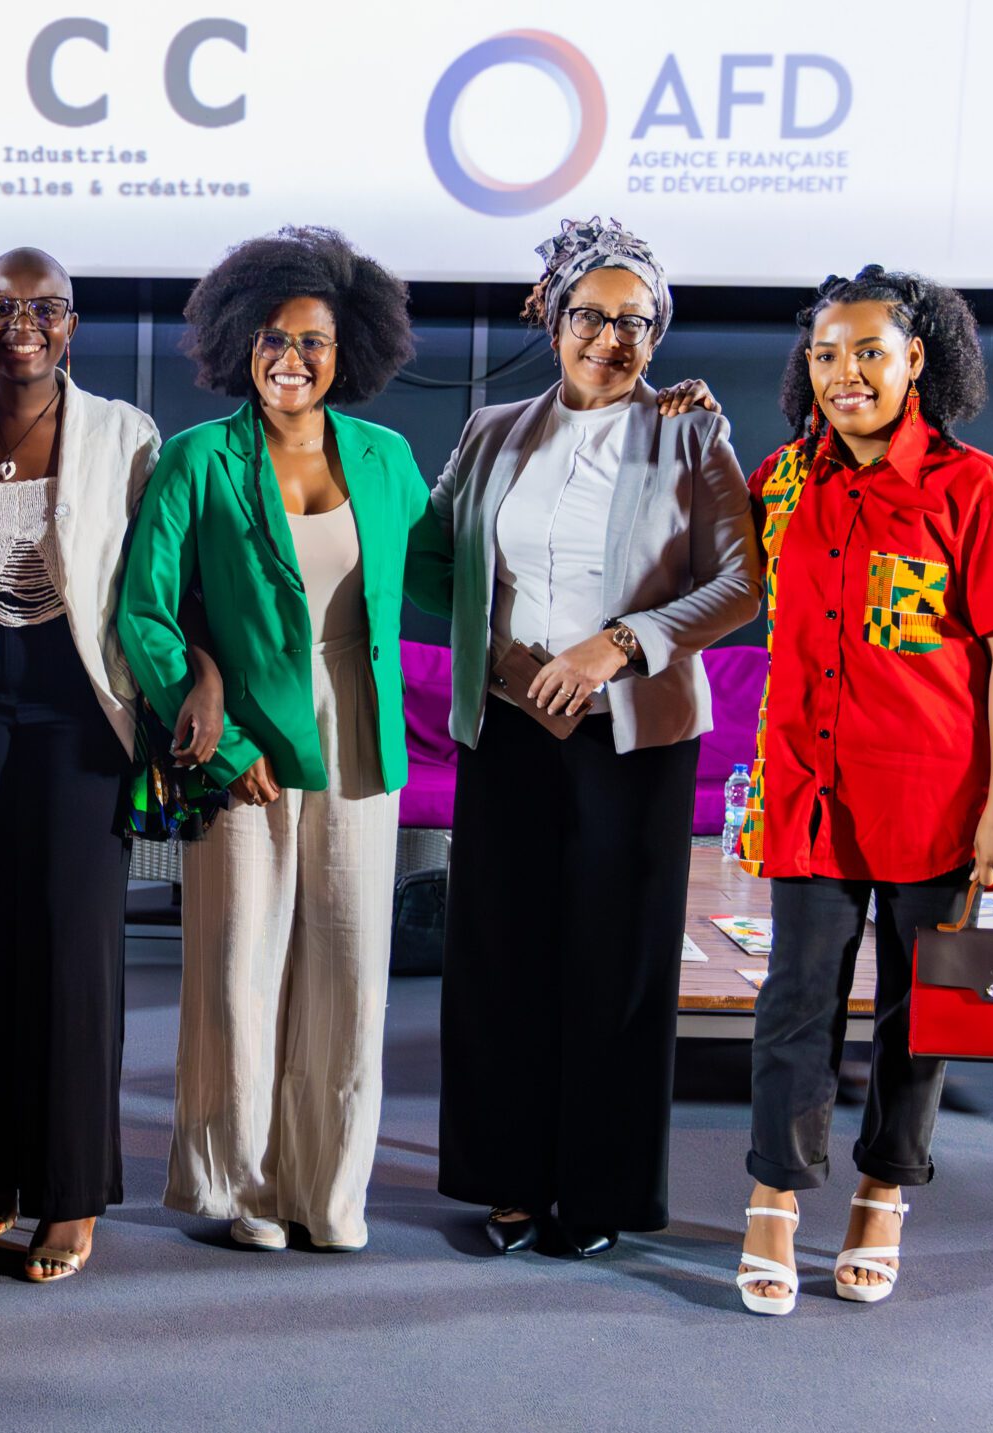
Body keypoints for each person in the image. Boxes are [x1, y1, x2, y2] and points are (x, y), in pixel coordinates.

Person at [406, 216, 760, 1258]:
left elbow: (741, 584)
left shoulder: (691, 434)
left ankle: (598, 1192)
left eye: (633, 322)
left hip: (632, 739)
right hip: (509, 723)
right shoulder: (490, 431)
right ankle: (509, 1180)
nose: (609, 338)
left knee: (616, 966)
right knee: (501, 957)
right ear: (554, 320)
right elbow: (431, 556)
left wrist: (619, 644)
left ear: (657, 333)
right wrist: (497, 654)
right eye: (590, 317)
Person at [0, 247, 222, 1283]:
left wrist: (200, 671)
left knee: (73, 941)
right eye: (2, 306)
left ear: (72, 324)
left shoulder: (125, 431)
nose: (21, 323)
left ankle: (69, 1194)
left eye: (44, 307)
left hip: (79, 694)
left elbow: (164, 572)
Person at [733, 267, 993, 1315]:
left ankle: (881, 1195)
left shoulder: (978, 488)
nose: (846, 373)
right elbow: (723, 580)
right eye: (825, 354)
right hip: (810, 790)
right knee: (794, 1003)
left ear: (916, 359)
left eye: (868, 351)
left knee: (919, 1014)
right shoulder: (782, 479)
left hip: (936, 798)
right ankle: (774, 1196)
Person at [117, 225, 421, 1253]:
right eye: (273, 338)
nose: (292, 358)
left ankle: (327, 1193)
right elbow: (144, 613)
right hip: (242, 744)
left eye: (313, 341)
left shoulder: (386, 459)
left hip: (359, 734)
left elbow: (444, 571)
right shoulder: (197, 459)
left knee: (350, 971)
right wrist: (219, 738)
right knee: (237, 967)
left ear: (348, 349)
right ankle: (244, 1187)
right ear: (239, 341)